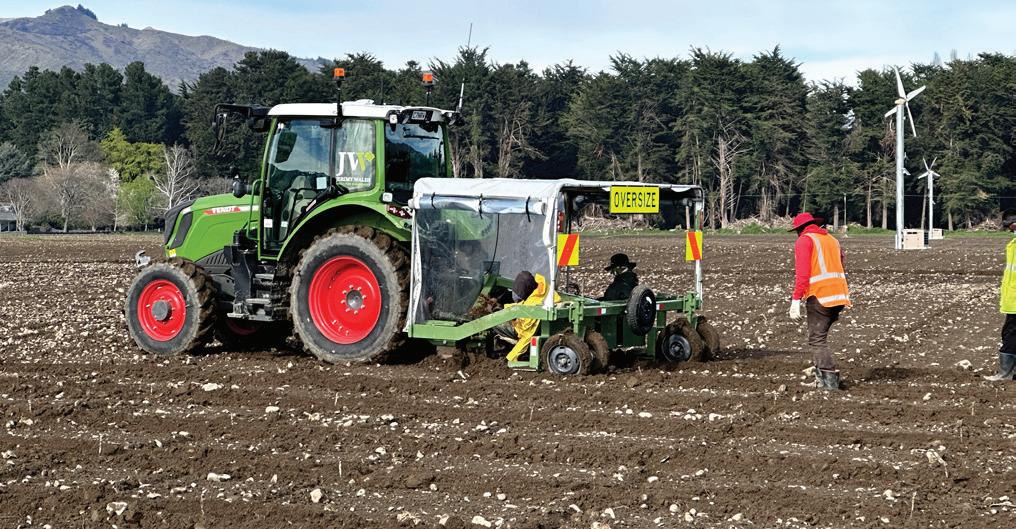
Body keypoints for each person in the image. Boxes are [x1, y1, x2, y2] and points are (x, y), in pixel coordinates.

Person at [788, 212, 851, 390]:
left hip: (820, 296)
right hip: (839, 296)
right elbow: (840, 263)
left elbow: (803, 274)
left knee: (817, 339)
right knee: (820, 336)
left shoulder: (804, 241)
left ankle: (829, 381)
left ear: (800, 229)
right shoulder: (832, 240)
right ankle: (821, 378)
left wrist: (795, 300)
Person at [494, 271, 560, 361]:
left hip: (527, 328)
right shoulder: (544, 287)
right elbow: (525, 304)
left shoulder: (531, 309)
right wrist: (506, 307)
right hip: (544, 320)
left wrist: (511, 358)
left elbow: (526, 337)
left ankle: (501, 348)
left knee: (494, 323)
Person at [984, 209, 1016, 381]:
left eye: (1011, 227)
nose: (1011, 230)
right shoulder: (1013, 245)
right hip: (1012, 298)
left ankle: (1005, 373)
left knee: (1010, 334)